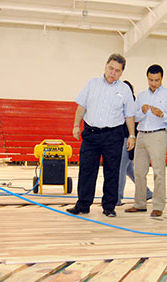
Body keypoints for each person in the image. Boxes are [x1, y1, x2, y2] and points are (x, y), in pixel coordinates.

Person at [67, 53, 136, 217]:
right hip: (91, 134)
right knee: (86, 170)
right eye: (111, 68)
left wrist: (132, 135)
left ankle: (109, 207)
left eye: (117, 70)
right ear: (105, 66)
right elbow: (81, 107)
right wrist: (76, 125)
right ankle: (83, 204)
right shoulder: (92, 83)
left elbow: (130, 115)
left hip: (113, 135)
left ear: (121, 73)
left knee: (112, 171)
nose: (113, 72)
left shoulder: (124, 90)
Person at [125, 64, 167, 217]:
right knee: (139, 171)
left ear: (162, 78)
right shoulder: (142, 96)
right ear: (147, 78)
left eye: (156, 80)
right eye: (150, 80)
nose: (153, 83)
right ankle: (140, 203)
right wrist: (141, 112)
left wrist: (163, 115)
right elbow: (134, 116)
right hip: (141, 134)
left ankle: (158, 205)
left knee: (158, 171)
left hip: (158, 135)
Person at [117, 80, 153, 206]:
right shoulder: (131, 100)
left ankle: (117, 197)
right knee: (128, 169)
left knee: (121, 168)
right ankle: (147, 192)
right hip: (127, 138)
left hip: (127, 138)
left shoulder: (129, 102)